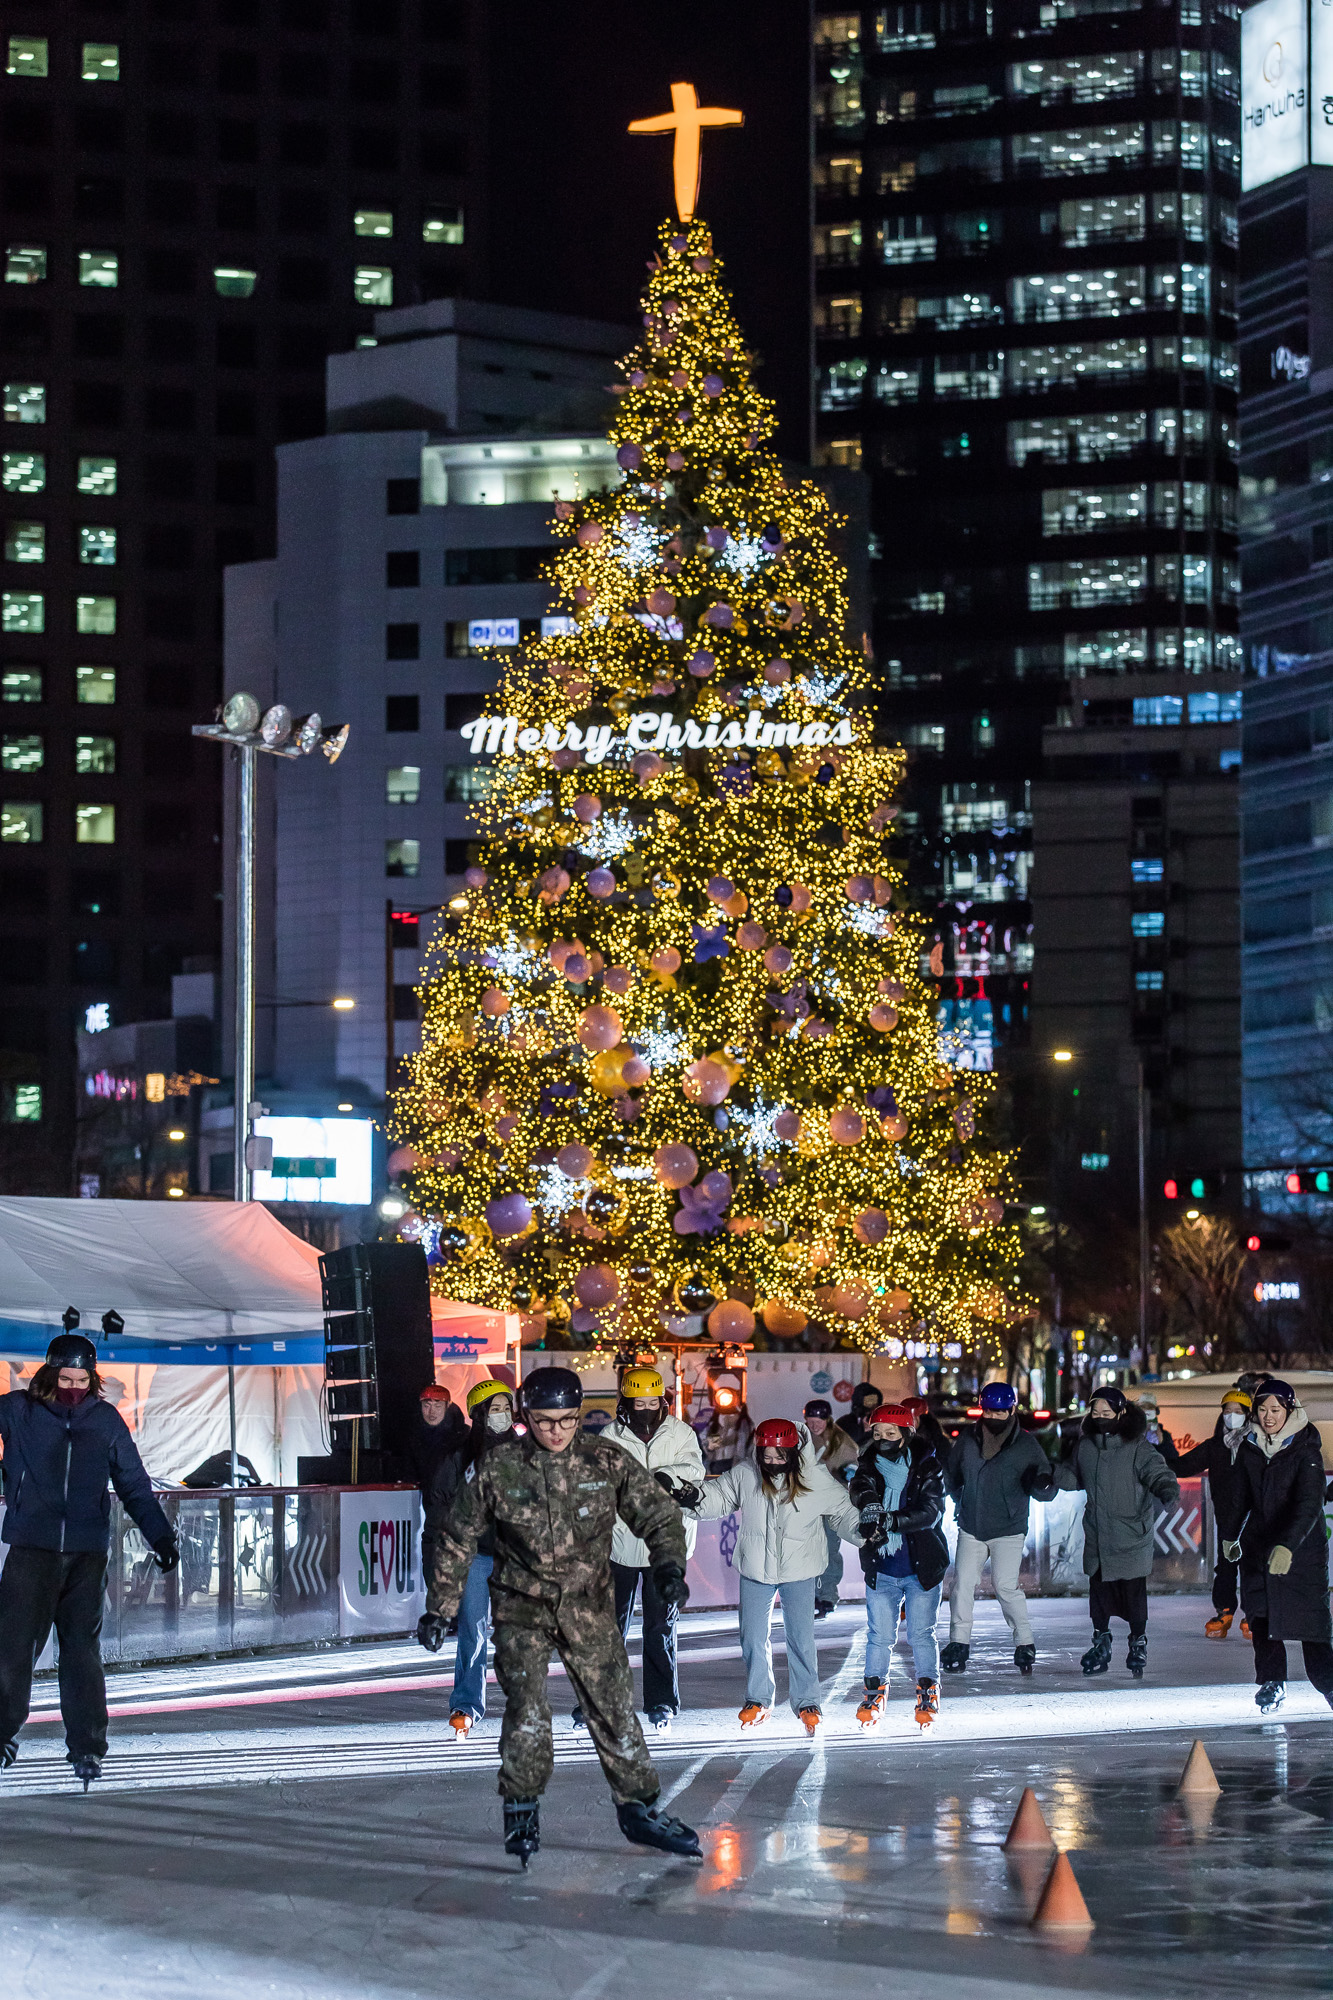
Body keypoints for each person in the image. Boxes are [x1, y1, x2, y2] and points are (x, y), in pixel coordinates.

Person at [417, 1365, 700, 1865]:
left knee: (612, 1707)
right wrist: (440, 1607)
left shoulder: (604, 1459)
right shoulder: (499, 1467)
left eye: (567, 1419)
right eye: (545, 1421)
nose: (556, 1431)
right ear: (527, 1416)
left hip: (587, 1605)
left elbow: (657, 1513)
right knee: (527, 1708)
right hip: (522, 1606)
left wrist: (669, 1566)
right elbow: (457, 1535)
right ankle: (522, 1808)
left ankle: (639, 1809)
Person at [0, 1331, 180, 1786]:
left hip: (86, 1555)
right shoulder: (18, 1411)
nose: (74, 1388)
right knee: (13, 1651)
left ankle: (87, 1747)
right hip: (31, 1551)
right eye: (66, 1379)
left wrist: (160, 1537)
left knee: (82, 1653)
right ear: (49, 1374)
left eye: (82, 1381)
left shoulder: (105, 1421)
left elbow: (134, 1484)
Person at [694, 1416, 861, 1734]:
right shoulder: (746, 1474)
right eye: (766, 1456)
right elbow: (718, 1496)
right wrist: (693, 1498)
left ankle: (808, 1701)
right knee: (752, 1638)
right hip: (756, 1568)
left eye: (779, 1457)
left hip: (799, 1568)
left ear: (794, 1452)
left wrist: (865, 1530)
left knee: (801, 1638)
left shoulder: (815, 1477)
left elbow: (842, 1513)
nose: (771, 1463)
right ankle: (758, 1700)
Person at [1217, 1376, 1333, 1716]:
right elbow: (1239, 1498)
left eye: (1276, 1410)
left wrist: (1288, 1546)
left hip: (1301, 1555)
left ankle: (1329, 1685)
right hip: (1258, 1550)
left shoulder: (1305, 1450)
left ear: (1289, 1411)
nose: (1268, 1417)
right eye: (1263, 1410)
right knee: (1261, 1620)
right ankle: (1272, 1682)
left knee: (1312, 1629)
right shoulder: (1249, 1447)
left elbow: (1309, 1504)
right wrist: (1230, 1535)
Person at [600, 1366, 704, 1732]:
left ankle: (661, 1702)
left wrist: (667, 1476)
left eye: (652, 1402)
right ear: (626, 1403)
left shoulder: (680, 1432)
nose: (646, 1409)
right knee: (612, 1626)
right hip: (622, 1544)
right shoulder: (610, 1435)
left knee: (661, 1626)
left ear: (662, 1401)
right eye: (638, 1403)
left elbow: (694, 1469)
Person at [1055, 1384, 1179, 1678]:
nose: (1100, 1417)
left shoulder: (1137, 1446)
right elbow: (1074, 1475)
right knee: (1099, 1594)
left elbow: (1157, 1471)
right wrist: (1052, 1475)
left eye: (1106, 1412)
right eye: (1096, 1411)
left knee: (1133, 1594)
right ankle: (1101, 1640)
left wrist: (1166, 1489)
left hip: (1131, 1534)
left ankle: (1138, 1641)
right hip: (1099, 1535)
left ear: (1121, 1413)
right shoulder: (1086, 1446)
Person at [940, 1381, 1056, 1677]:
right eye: (989, 1411)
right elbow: (952, 1473)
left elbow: (1044, 1481)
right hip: (972, 1525)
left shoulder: (1026, 1445)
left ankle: (1024, 1642)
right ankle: (958, 1643)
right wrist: (959, 1497)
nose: (993, 1416)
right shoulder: (968, 1440)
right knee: (962, 1584)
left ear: (1012, 1411)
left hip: (1008, 1528)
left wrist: (1041, 1485)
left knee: (1005, 1586)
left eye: (1000, 1412)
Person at [850, 1403, 950, 1729]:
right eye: (877, 1433)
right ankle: (874, 1694)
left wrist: (890, 1520)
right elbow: (860, 1487)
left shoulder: (927, 1465)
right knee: (879, 1636)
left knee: (921, 1634)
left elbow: (931, 1511)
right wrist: (869, 1505)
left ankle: (928, 1692)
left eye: (890, 1433)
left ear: (906, 1434)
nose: (882, 1439)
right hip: (883, 1566)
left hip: (923, 1566)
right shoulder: (868, 1464)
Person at [434, 1378, 515, 1739]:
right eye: (496, 1409)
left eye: (507, 1408)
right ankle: (466, 1705)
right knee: (473, 1630)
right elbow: (439, 1501)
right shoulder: (460, 1455)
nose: (503, 1415)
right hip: (477, 1556)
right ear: (480, 1414)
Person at [1158, 1384, 1253, 1639]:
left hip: (1254, 1517)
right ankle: (1224, 1611)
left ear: (1248, 1414)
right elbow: (1182, 1466)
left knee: (1253, 1567)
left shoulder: (1256, 1444)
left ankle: (1254, 1614)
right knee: (1226, 1566)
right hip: (1226, 1516)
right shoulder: (1215, 1446)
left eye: (1238, 1411)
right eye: (1227, 1411)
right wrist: (1161, 1446)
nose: (1232, 1416)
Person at [410, 1383, 468, 1597]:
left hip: (458, 1521)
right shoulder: (415, 1437)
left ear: (448, 1406)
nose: (431, 1411)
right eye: (427, 1405)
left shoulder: (463, 1438)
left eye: (437, 1405)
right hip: (433, 1519)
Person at [803, 1398, 858, 1618]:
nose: (814, 1425)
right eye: (810, 1421)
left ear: (827, 1420)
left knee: (827, 1550)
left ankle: (827, 1595)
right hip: (806, 1503)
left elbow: (853, 1465)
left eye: (818, 1421)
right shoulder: (801, 1438)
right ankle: (809, 1594)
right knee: (806, 1550)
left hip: (831, 1504)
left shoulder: (840, 1441)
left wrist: (848, 1472)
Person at [844, 1381, 884, 1449]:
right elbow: (842, 1442)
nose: (873, 1407)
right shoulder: (845, 1422)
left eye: (875, 1403)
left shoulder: (880, 1422)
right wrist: (862, 1430)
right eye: (869, 1403)